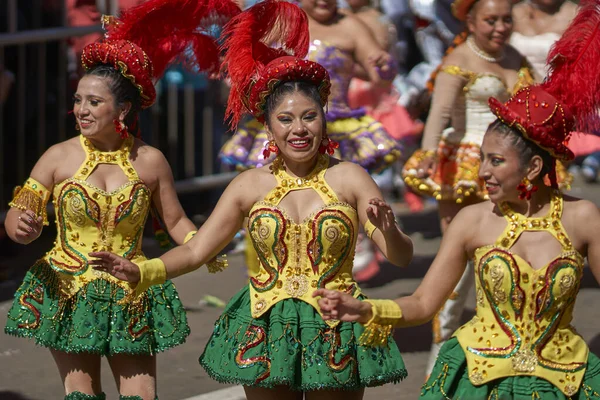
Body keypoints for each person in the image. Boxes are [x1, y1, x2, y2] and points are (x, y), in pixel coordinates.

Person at [90, 2, 413, 399]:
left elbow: (400, 258)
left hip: (336, 325)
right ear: (268, 126)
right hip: (266, 324)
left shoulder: (350, 178)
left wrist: (389, 231)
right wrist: (143, 271)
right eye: (286, 119)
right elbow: (196, 252)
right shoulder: (249, 186)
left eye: (309, 117)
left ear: (324, 118)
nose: (299, 129)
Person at [314, 0, 600, 396]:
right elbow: (421, 302)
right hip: (479, 379)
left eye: (495, 161)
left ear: (533, 168)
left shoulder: (582, 217)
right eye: (483, 159)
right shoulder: (473, 221)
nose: (482, 171)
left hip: (563, 380)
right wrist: (366, 309)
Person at [3, 1, 240, 398]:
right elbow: (18, 217)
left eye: (93, 102)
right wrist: (22, 227)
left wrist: (203, 244)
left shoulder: (150, 162)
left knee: (141, 395)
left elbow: (176, 221)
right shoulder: (58, 157)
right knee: (82, 394)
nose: (80, 110)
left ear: (123, 108)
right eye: (78, 99)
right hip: (68, 288)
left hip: (130, 289)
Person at [400, 0, 542, 375]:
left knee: (512, 257)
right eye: (490, 20)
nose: (499, 27)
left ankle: (507, 344)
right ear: (470, 20)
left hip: (515, 169)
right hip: (467, 168)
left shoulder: (517, 57)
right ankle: (441, 353)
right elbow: (438, 115)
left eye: (505, 19)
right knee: (459, 263)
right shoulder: (458, 58)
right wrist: (429, 155)